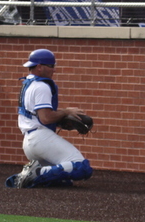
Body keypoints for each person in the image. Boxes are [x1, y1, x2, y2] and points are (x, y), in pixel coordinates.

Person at [6, 49, 93, 189]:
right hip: (41, 138)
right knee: (81, 167)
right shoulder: (41, 86)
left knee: (62, 180)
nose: (54, 70)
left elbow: (38, 117)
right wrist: (65, 112)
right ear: (40, 67)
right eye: (51, 66)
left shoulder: (28, 84)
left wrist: (61, 122)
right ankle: (36, 172)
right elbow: (46, 118)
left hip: (30, 142)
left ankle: (36, 175)